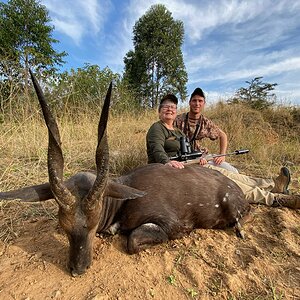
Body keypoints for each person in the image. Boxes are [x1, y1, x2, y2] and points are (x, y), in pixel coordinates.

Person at [146, 93, 300, 209]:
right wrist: (167, 162)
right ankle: (273, 198)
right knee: (226, 182)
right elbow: (156, 149)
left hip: (191, 165)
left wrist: (201, 156)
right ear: (159, 111)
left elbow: (189, 150)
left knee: (229, 174)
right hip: (171, 170)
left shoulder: (178, 131)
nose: (169, 109)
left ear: (176, 112)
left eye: (173, 107)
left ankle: (272, 184)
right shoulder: (157, 128)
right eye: (165, 106)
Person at [174, 87, 239, 173]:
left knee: (233, 171)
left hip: (202, 157)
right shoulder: (177, 120)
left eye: (200, 101)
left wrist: (222, 155)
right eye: (194, 100)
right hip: (183, 158)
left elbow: (223, 135)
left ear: (204, 103)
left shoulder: (206, 122)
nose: (197, 104)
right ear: (189, 103)